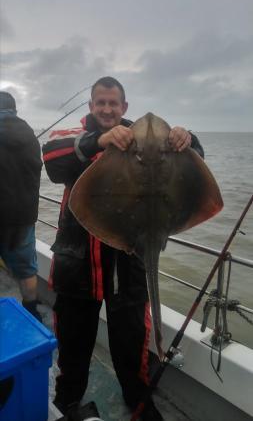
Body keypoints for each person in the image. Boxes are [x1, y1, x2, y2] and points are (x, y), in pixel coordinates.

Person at [42, 77, 204, 420]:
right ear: (91, 107)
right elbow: (53, 161)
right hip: (78, 267)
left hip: (128, 264)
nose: (106, 109)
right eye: (100, 103)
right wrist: (98, 141)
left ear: (123, 107)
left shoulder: (142, 140)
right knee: (73, 347)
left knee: (132, 347)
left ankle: (140, 404)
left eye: (113, 103)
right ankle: (67, 401)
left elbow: (194, 164)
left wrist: (187, 139)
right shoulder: (75, 136)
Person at [0, 91, 42, 321]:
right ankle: (32, 311)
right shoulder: (29, 134)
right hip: (23, 218)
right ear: (14, 109)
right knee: (27, 269)